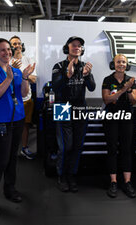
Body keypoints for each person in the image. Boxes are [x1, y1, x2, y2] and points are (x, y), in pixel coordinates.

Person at [0, 38, 35, 217]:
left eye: (8, 49)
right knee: (1, 161)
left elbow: (23, 93)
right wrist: (9, 78)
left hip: (17, 120)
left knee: (12, 158)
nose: (7, 52)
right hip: (1, 122)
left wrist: (25, 77)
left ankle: (10, 190)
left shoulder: (17, 70)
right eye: (2, 50)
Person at [51, 36, 96, 193]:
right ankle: (61, 175)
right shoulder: (58, 66)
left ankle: (71, 175)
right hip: (62, 107)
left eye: (79, 46)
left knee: (77, 145)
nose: (77, 47)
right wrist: (66, 76)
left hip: (80, 108)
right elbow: (55, 88)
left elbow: (91, 88)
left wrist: (87, 75)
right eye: (74, 45)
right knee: (65, 146)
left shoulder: (85, 67)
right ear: (67, 48)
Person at [102, 54, 136, 198]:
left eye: (123, 62)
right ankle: (113, 182)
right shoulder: (107, 80)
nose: (121, 64)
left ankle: (127, 182)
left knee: (126, 149)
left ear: (126, 65)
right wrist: (123, 89)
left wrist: (129, 90)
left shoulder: (131, 81)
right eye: (118, 62)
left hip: (127, 117)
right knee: (112, 148)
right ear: (113, 64)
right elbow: (107, 99)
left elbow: (134, 101)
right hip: (111, 117)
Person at [10, 35, 37, 160]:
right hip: (10, 100)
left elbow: (34, 79)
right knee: (11, 125)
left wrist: (19, 73)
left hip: (26, 99)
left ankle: (24, 148)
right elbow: (5, 81)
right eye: (14, 44)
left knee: (25, 125)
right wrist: (20, 73)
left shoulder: (28, 59)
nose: (17, 46)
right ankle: (10, 150)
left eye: (19, 43)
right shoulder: (6, 62)